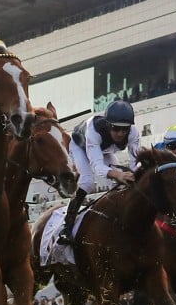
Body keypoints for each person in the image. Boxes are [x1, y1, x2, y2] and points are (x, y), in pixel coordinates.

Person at [57, 100, 140, 245]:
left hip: (104, 150)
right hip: (79, 147)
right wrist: (118, 175)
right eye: (116, 128)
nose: (121, 133)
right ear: (108, 125)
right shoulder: (93, 130)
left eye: (124, 129)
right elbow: (97, 166)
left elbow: (135, 164)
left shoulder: (134, 133)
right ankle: (67, 226)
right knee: (87, 181)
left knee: (123, 178)